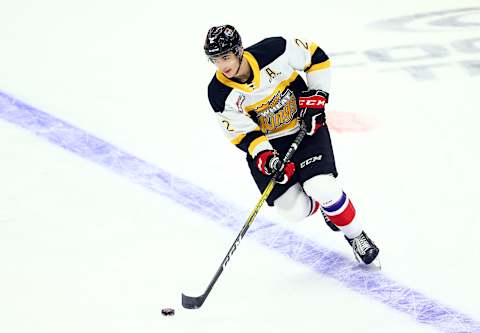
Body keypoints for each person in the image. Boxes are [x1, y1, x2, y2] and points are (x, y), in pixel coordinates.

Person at [204, 25, 379, 265]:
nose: (222, 65)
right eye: (215, 60)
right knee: (293, 210)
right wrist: (266, 157)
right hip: (271, 144)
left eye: (225, 57)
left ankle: (356, 234)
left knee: (323, 187)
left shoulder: (275, 50)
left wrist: (316, 100)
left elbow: (316, 57)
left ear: (239, 50)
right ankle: (327, 207)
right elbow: (241, 132)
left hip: (304, 128)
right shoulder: (218, 92)